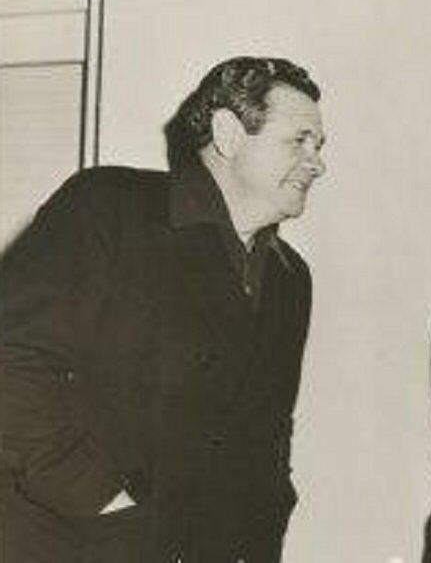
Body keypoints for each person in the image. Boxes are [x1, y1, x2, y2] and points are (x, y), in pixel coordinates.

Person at [0, 57, 328, 562]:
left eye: (319, 146)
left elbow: (269, 439)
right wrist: (103, 500)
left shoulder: (290, 278)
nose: (317, 162)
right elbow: (11, 364)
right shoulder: (108, 207)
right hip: (75, 543)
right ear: (228, 133)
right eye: (298, 140)